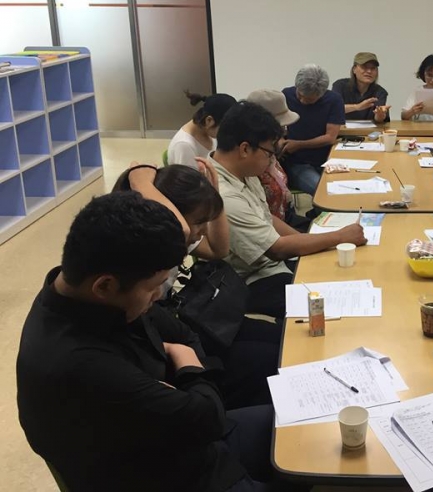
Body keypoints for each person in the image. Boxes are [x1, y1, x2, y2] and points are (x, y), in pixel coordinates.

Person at [16, 192, 280, 492]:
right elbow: (207, 418)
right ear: (104, 285)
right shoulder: (77, 363)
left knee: (302, 425)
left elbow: (185, 337)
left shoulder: (97, 295)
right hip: (178, 475)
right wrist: (187, 365)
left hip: (192, 445)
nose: (157, 296)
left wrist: (182, 363)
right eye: (153, 288)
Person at [114, 161, 280, 410]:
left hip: (183, 321)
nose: (203, 230)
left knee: (278, 338)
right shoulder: (155, 242)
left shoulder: (180, 236)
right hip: (171, 331)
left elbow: (218, 250)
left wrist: (216, 202)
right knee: (268, 359)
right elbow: (181, 229)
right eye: (199, 221)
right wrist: (140, 179)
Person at [211, 101, 366, 318]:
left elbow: (268, 218)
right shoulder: (225, 195)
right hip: (252, 281)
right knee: (331, 303)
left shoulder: (243, 171)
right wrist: (339, 236)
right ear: (245, 149)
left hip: (273, 265)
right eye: (269, 152)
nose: (272, 159)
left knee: (339, 269)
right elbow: (276, 249)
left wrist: (308, 243)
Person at [281, 65, 345, 195]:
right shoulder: (286, 95)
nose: (302, 101)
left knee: (344, 188)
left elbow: (330, 137)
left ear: (322, 94)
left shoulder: (334, 100)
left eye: (309, 99)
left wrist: (299, 144)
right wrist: (281, 141)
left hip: (328, 161)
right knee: (323, 191)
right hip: (298, 163)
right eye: (300, 95)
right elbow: (277, 126)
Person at [246, 89, 306, 228]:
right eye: (281, 126)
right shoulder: (253, 160)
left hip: (284, 215)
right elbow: (265, 218)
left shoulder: (272, 153)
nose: (285, 131)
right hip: (271, 227)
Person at [167, 90, 237, 168]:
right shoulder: (184, 146)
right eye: (225, 129)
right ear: (209, 121)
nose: (226, 132)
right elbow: (189, 176)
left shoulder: (209, 131)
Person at [331, 52, 391, 123]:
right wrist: (357, 107)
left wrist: (380, 115)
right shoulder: (340, 85)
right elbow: (334, 109)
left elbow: (378, 119)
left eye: (373, 68)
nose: (369, 71)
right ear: (354, 69)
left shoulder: (380, 92)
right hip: (341, 129)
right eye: (364, 67)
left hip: (369, 130)